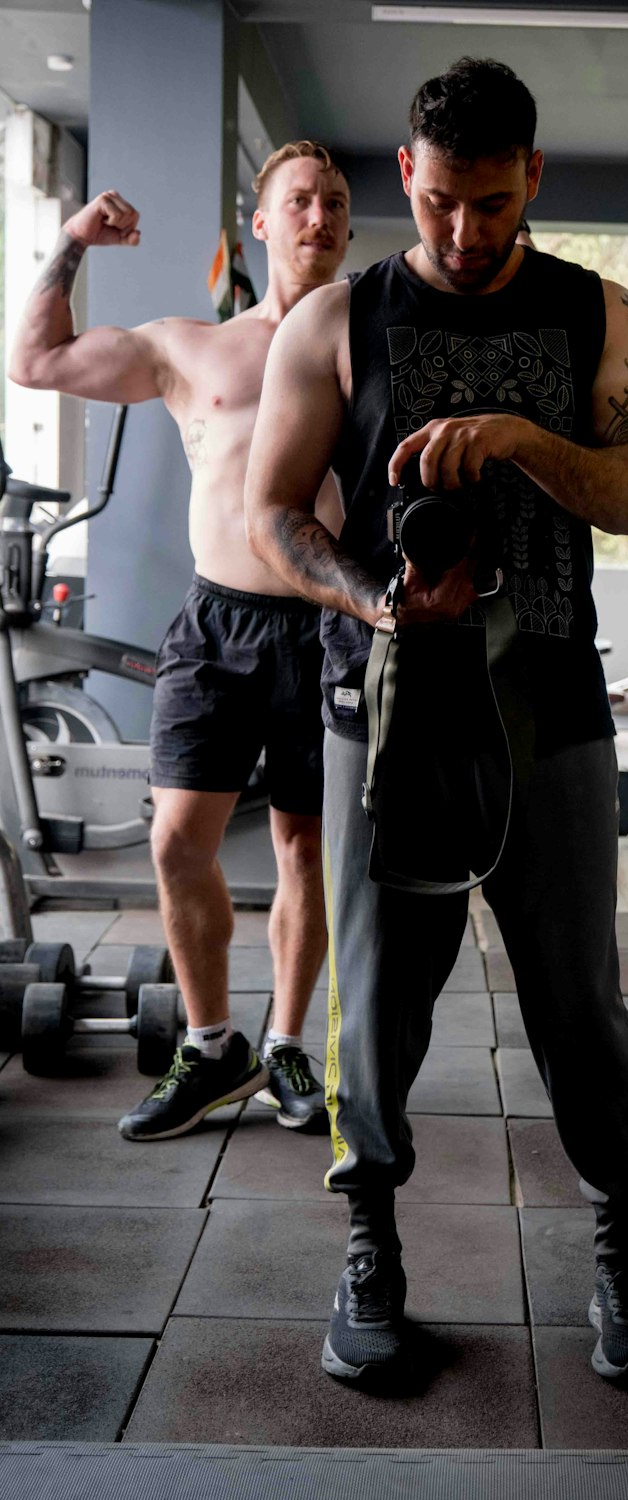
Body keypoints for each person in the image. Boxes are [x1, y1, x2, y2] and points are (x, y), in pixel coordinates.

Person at [244, 59, 628, 1384]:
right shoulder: (335, 320)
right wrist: (376, 599)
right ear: (405, 181)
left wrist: (516, 440)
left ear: (531, 179)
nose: (462, 232)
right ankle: (368, 1244)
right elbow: (271, 516)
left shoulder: (597, 316)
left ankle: (621, 1242)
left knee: (580, 1004)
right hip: (376, 711)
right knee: (372, 1007)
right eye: (439, 204)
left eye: (491, 204)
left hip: (553, 704)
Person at [10, 142, 352, 1141]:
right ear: (260, 220)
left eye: (335, 202)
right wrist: (74, 241)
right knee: (174, 840)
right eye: (298, 200)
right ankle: (213, 1046)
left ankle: (287, 1046)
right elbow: (34, 363)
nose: (318, 218)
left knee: (304, 849)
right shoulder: (188, 348)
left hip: (328, 627)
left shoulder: (368, 343)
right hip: (218, 624)